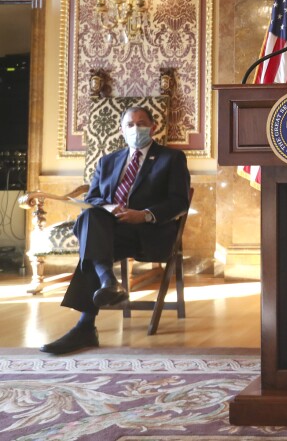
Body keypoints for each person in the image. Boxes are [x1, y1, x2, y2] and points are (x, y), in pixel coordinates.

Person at [40, 106, 191, 354]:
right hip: (110, 231)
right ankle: (107, 284)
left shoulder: (171, 159)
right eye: (130, 125)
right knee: (91, 217)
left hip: (148, 233)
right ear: (122, 130)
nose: (136, 128)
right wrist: (111, 209)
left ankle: (87, 324)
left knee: (92, 245)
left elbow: (178, 202)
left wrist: (142, 215)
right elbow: (93, 198)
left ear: (153, 127)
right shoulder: (108, 161)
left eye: (141, 123)